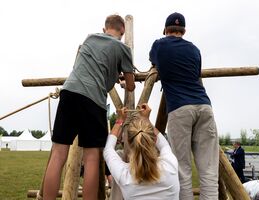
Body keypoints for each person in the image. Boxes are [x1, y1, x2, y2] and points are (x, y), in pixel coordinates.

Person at [43, 14, 135, 200]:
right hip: (93, 99)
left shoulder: (90, 38)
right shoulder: (123, 48)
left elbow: (95, 66)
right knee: (92, 158)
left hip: (69, 92)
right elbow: (131, 85)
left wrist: (112, 74)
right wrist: (123, 80)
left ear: (104, 28)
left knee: (58, 154)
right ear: (123, 31)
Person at [149, 12, 219, 200]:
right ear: (184, 31)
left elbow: (154, 63)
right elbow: (196, 75)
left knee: (182, 169)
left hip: (180, 108)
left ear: (165, 30)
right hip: (204, 107)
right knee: (209, 170)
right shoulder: (195, 50)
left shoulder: (159, 45)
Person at [103, 103, 180, 200]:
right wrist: (147, 120)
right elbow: (164, 144)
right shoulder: (170, 164)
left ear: (129, 143)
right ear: (153, 140)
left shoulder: (125, 176)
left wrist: (119, 121)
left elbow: (108, 149)